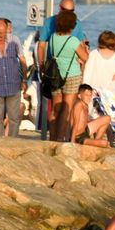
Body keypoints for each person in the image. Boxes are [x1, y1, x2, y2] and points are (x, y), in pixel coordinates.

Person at [40, 10, 87, 142]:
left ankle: (53, 138)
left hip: (55, 76)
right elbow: (85, 57)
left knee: (56, 108)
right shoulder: (73, 41)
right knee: (66, 108)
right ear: (72, 25)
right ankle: (60, 138)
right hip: (71, 76)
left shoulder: (53, 37)